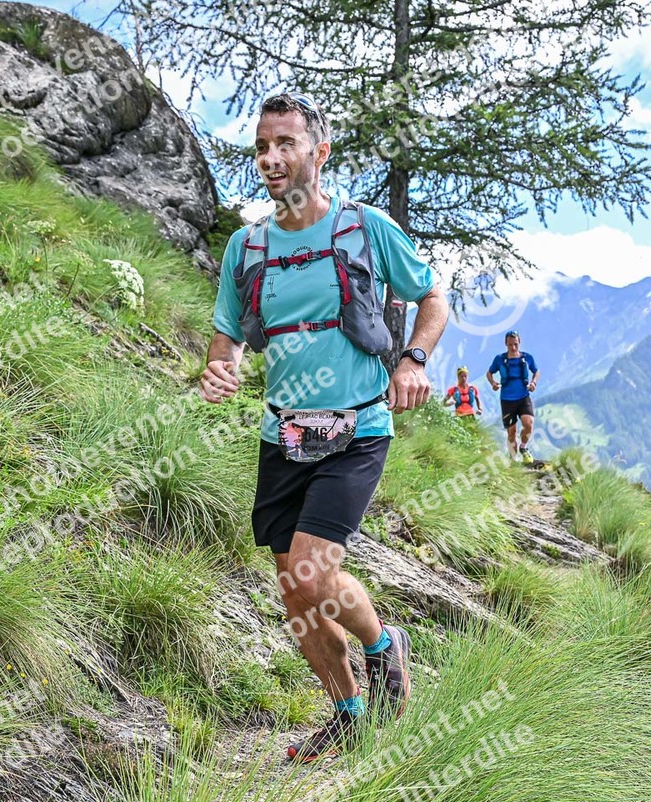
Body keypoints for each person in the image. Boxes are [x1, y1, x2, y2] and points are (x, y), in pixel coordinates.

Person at [200, 92, 449, 763]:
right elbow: (227, 335)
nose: (271, 157)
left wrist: (414, 359)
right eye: (262, 146)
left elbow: (433, 295)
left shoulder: (364, 228)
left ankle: (382, 645)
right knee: (295, 593)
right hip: (283, 436)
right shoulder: (246, 247)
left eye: (286, 143)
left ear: (320, 151)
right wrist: (220, 368)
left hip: (358, 428)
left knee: (312, 572)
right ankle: (348, 714)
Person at [487, 330, 539, 462]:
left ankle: (523, 447)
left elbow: (536, 371)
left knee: (529, 424)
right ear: (506, 344)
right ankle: (513, 460)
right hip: (507, 400)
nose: (513, 347)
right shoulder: (499, 359)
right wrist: (493, 383)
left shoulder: (527, 358)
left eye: (515, 344)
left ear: (519, 342)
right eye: (510, 345)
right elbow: (489, 373)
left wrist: (533, 383)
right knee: (511, 433)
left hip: (523, 397)